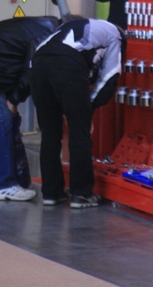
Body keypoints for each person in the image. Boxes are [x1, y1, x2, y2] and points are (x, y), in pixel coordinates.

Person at [30, 18, 125, 208]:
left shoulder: (72, 27)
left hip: (37, 64)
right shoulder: (116, 35)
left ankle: (51, 193)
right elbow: (109, 76)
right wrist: (89, 108)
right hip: (67, 64)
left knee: (49, 133)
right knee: (79, 132)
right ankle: (81, 194)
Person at [0, 16, 60, 201]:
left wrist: (14, 99)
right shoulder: (45, 35)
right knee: (0, 122)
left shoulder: (45, 26)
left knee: (8, 122)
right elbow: (32, 70)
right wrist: (14, 100)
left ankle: (18, 181)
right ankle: (3, 185)